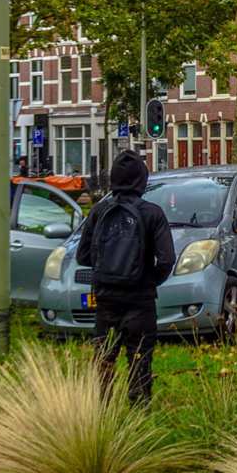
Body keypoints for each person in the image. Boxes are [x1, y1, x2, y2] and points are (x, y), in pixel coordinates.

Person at [76, 150, 176, 406]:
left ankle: (102, 409)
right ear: (142, 179)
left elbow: (82, 256)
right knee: (140, 360)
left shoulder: (99, 212)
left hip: (106, 300)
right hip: (140, 301)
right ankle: (139, 413)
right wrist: (150, 279)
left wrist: (106, 269)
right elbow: (166, 259)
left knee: (104, 361)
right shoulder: (152, 213)